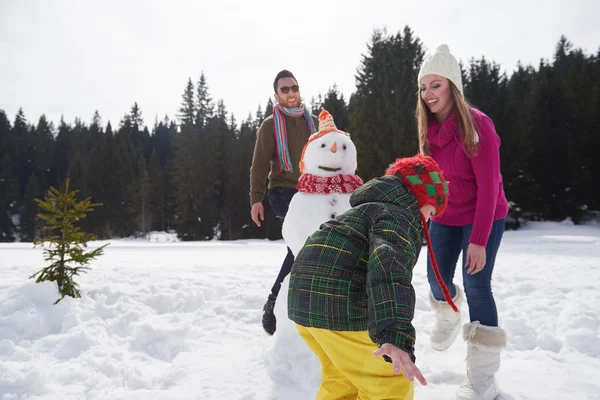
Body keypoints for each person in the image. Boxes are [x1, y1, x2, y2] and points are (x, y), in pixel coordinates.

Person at [288, 154, 457, 400]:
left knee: (343, 380)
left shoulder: (365, 210)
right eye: (431, 212)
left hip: (304, 302)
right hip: (340, 306)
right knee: (389, 384)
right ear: (421, 196)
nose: (428, 222)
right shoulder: (399, 215)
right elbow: (388, 267)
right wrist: (394, 337)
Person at [416, 44, 510, 399]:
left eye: (435, 86)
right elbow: (432, 179)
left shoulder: (478, 126)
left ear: (452, 86)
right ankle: (449, 315)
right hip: (446, 215)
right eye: (424, 87)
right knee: (434, 277)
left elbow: (490, 187)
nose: (428, 94)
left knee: (476, 286)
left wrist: (479, 241)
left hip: (483, 215)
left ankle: (482, 380)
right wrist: (426, 204)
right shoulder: (429, 131)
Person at [249, 69, 318, 336]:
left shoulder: (313, 123)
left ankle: (302, 304)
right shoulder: (270, 125)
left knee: (307, 246)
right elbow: (258, 166)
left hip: (311, 193)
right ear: (276, 95)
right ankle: (274, 302)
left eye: (294, 88)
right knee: (301, 242)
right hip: (282, 191)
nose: (290, 93)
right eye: (284, 90)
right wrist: (256, 199)